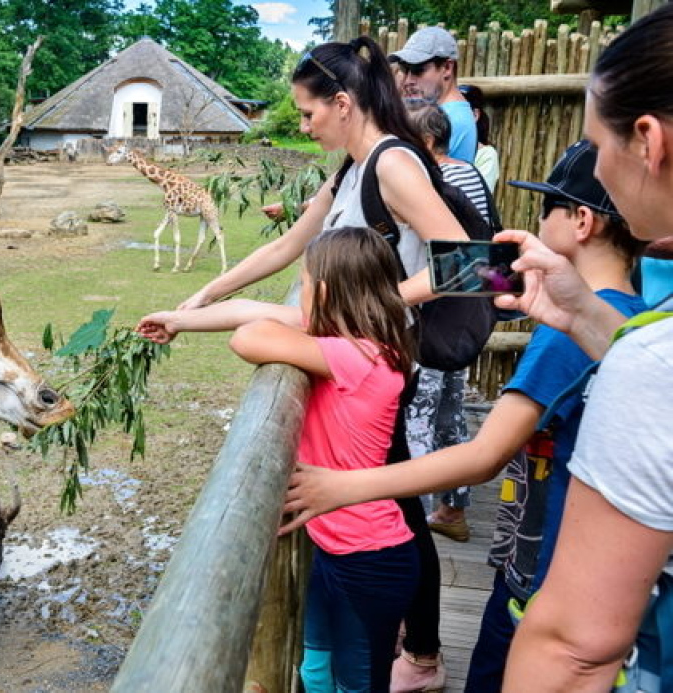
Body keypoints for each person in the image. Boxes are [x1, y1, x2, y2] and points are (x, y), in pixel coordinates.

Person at [277, 139, 647, 693]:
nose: (536, 221)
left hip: (548, 574)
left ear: (582, 222)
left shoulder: (563, 338)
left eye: (546, 208)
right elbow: (471, 276)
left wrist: (346, 487)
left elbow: (484, 454)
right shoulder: (632, 316)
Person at [174, 36, 473, 692]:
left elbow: (472, 264)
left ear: (342, 103)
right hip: (364, 346)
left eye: (308, 114)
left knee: (398, 497)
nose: (304, 127)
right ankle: (408, 643)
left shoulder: (394, 165)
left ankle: (421, 653)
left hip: (386, 358)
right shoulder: (348, 168)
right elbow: (290, 244)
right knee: (394, 494)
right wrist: (208, 292)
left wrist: (375, 307)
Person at [137, 226, 421, 692]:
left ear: (324, 293)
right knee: (314, 671)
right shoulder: (357, 343)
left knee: (357, 683)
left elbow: (248, 336)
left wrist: (299, 318)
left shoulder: (361, 357)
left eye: (304, 283)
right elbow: (249, 311)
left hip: (371, 558)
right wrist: (178, 318)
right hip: (334, 548)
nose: (299, 295)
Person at [487, 6, 673, 689]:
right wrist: (586, 316)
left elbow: (576, 648)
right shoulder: (647, 322)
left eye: (597, 144)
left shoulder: (656, 363)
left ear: (648, 141)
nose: (598, 163)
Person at [404, 98, 498, 543]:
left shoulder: (435, 183)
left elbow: (457, 261)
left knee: (418, 421)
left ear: (424, 141)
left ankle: (413, 523)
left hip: (434, 322)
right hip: (464, 321)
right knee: (450, 415)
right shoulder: (471, 174)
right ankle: (452, 509)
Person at [391, 26, 477, 164]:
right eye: (405, 70)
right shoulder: (447, 112)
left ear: (447, 68)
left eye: (418, 70)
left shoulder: (451, 119)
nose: (408, 81)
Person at [458, 84, 501, 192]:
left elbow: (478, 195)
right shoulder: (439, 147)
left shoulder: (486, 155)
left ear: (475, 115)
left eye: (459, 109)